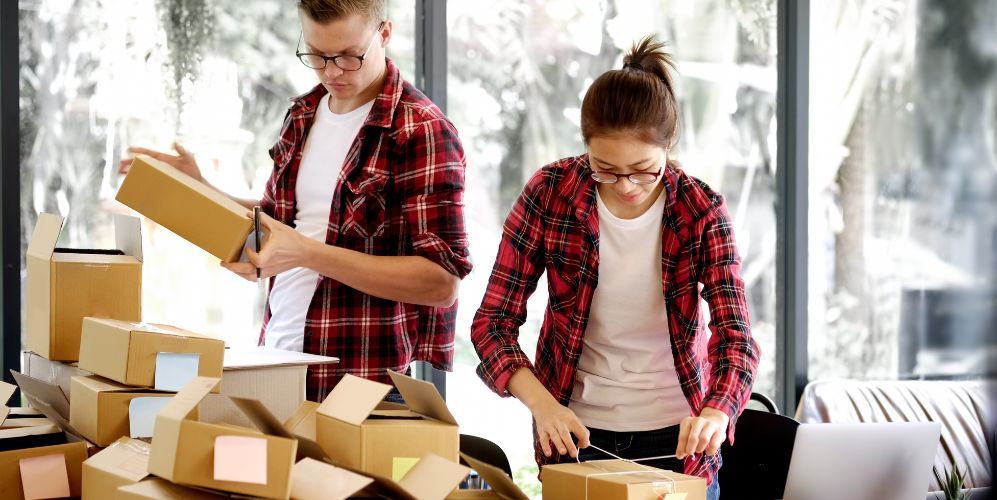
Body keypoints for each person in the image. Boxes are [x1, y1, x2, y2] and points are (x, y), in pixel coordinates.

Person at [120, 0, 472, 402]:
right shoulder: (303, 113)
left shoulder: (421, 130)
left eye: (349, 56)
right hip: (276, 363)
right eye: (318, 56)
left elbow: (442, 282)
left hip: (363, 386)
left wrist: (307, 253)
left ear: (385, 34)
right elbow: (280, 225)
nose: (332, 72)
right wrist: (200, 189)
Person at [470, 36, 760, 499]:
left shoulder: (701, 212)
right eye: (606, 168)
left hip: (679, 440)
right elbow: (492, 324)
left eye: (644, 169)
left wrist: (717, 412)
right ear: (585, 148)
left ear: (669, 147)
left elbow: (737, 339)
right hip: (575, 433)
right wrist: (543, 407)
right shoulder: (550, 193)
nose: (626, 186)